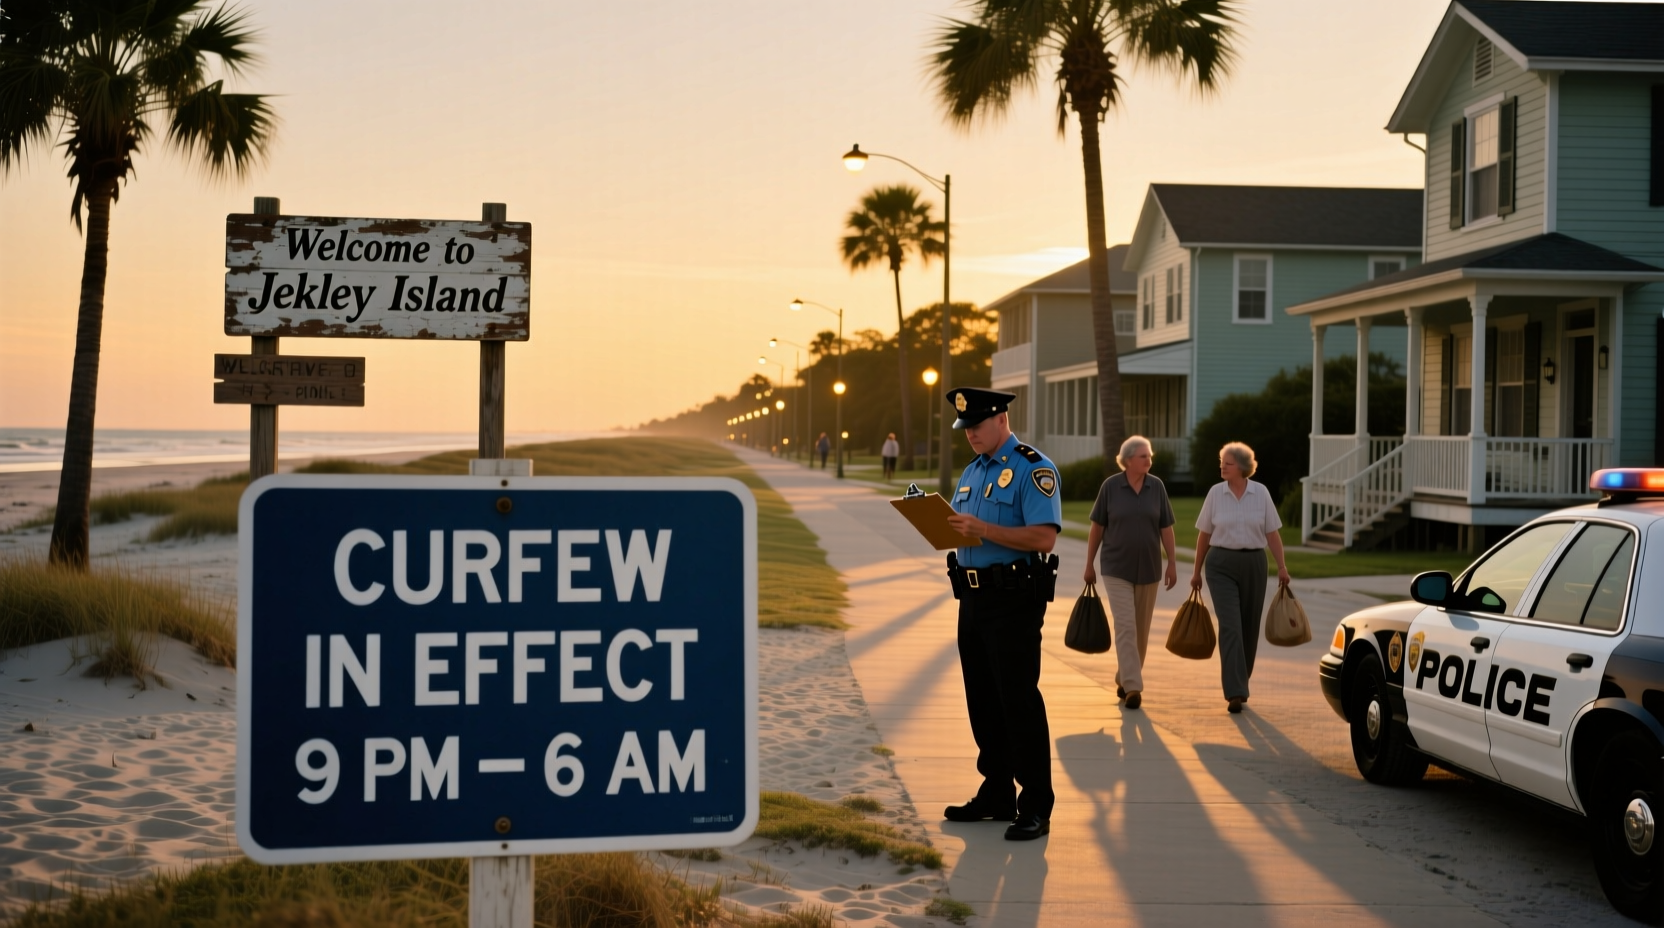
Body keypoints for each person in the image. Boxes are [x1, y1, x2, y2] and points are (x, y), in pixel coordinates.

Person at [939, 386, 1062, 841]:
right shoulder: (971, 472)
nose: (969, 434)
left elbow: (1044, 538)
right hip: (971, 598)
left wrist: (983, 528)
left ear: (1001, 420)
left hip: (1013, 599)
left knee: (1018, 700)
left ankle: (1035, 803)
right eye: (965, 427)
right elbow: (965, 530)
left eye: (976, 425)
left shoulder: (1033, 469)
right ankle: (996, 792)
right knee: (982, 699)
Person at [1190, 442, 1291, 714]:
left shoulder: (1261, 493)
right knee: (1231, 625)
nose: (1222, 466)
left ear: (1243, 467)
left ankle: (1240, 680)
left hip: (1254, 563)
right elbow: (1204, 535)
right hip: (1220, 564)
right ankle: (1234, 691)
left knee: (1248, 627)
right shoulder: (1215, 494)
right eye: (1221, 461)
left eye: (1228, 463)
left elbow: (1272, 533)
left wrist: (1282, 566)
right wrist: (1196, 571)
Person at [1083, 436, 1176, 711]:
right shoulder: (1110, 487)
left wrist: (1171, 561)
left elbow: (1166, 527)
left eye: (1149, 456)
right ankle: (1134, 687)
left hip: (1149, 568)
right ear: (1128, 461)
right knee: (1125, 625)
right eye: (1143, 457)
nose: (1149, 460)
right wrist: (1089, 564)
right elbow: (1097, 528)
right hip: (1115, 568)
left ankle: (1124, 677)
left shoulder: (1156, 487)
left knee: (1141, 631)